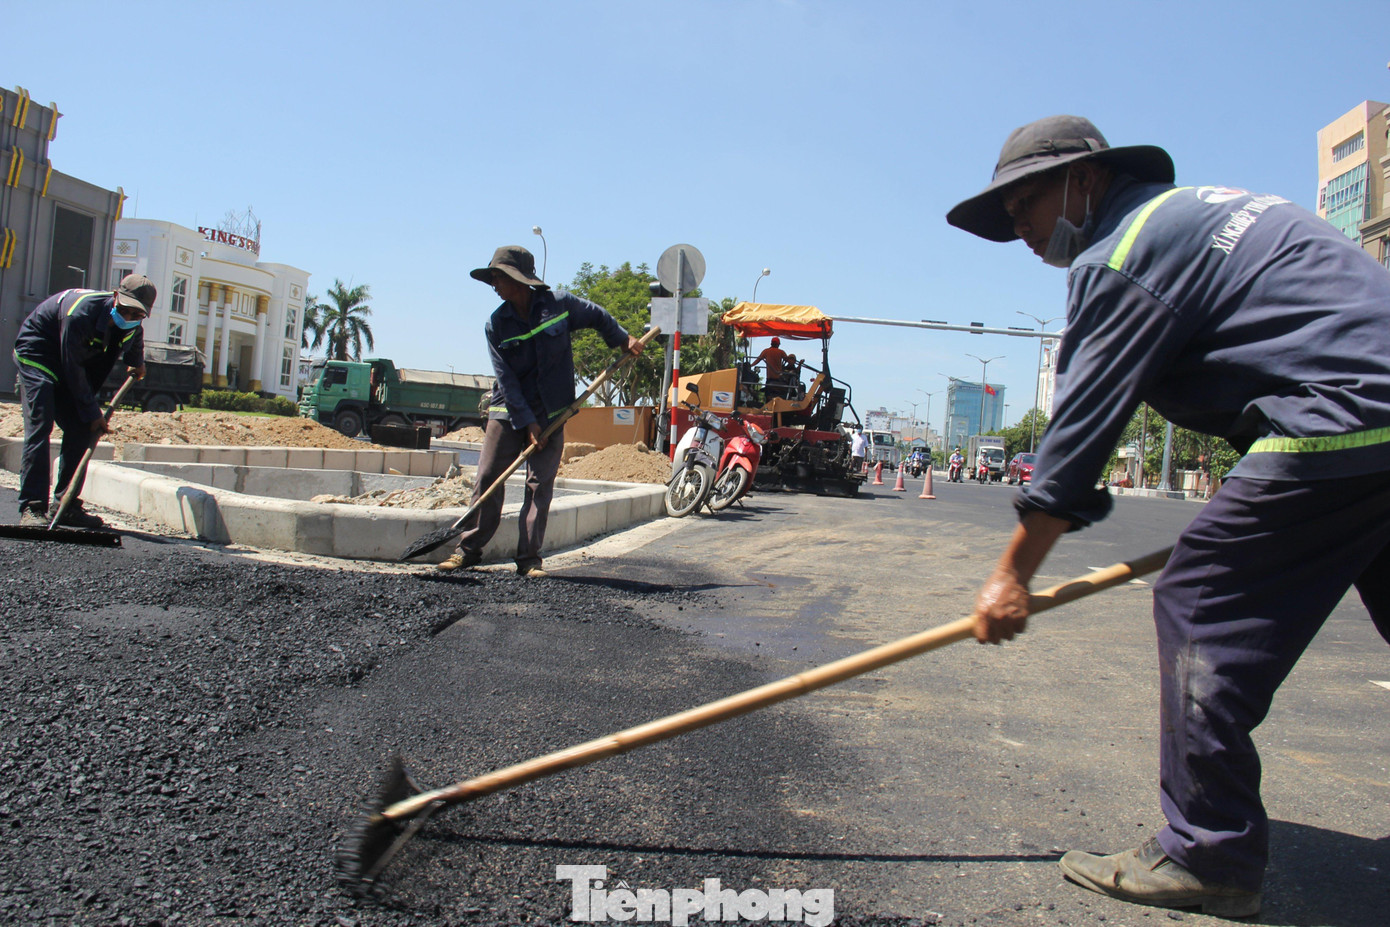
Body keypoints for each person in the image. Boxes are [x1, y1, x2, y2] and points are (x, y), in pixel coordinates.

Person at [947, 114, 1390, 917]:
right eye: (1006, 216)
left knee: (1199, 600)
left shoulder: (1122, 253)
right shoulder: (1209, 209)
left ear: (1086, 179)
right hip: (1366, 415)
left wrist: (1011, 574)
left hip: (1348, 414)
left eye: (1027, 202)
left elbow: (1079, 434)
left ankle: (1207, 851)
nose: (1018, 227)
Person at [437, 246, 641, 577]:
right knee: (488, 477)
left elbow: (598, 317)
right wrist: (527, 422)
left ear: (517, 279)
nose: (494, 286)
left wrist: (622, 339)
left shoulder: (560, 306)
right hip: (508, 410)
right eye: (492, 279)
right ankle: (468, 548)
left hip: (553, 411)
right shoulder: (496, 325)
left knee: (539, 485)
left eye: (498, 278)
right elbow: (507, 379)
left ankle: (529, 559)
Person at [12, 274, 153, 528]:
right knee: (41, 423)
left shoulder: (131, 324)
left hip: (70, 363)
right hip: (39, 353)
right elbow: (72, 367)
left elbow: (134, 338)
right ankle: (32, 507)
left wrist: (137, 362)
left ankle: (65, 505)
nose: (130, 318)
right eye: (125, 310)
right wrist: (93, 412)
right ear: (114, 297)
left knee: (80, 429)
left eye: (137, 314)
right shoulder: (80, 313)